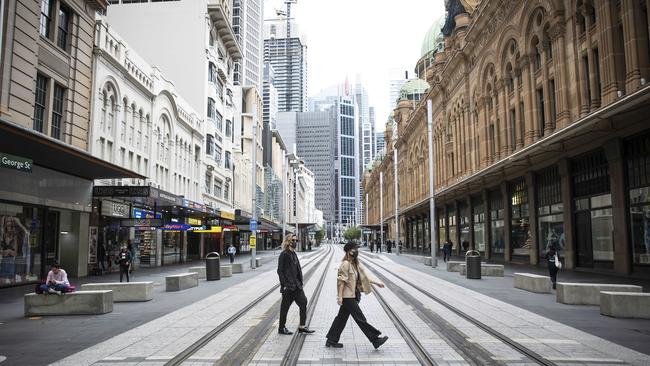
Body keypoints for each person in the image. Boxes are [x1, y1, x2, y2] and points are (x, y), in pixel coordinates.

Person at [326, 241, 389, 349]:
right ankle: (375, 340)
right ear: (349, 251)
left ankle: (331, 340)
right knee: (360, 318)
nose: (357, 251)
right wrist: (340, 297)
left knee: (341, 319)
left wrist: (376, 282)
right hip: (347, 297)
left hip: (352, 295)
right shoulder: (345, 264)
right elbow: (341, 281)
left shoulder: (354, 264)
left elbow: (363, 278)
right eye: (355, 249)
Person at [277, 234, 315, 335]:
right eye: (293, 240)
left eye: (296, 240)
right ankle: (281, 328)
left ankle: (302, 326)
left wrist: (300, 282)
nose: (295, 242)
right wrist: (284, 284)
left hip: (297, 286)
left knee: (303, 302)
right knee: (284, 308)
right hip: (289, 287)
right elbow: (280, 271)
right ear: (288, 241)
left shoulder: (294, 254)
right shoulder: (284, 254)